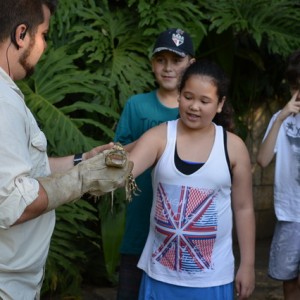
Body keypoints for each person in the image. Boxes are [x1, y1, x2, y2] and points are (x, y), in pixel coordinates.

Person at [0, 1, 132, 299]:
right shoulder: (3, 102)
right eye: (44, 34)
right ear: (21, 34)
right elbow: (13, 201)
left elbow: (24, 171)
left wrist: (82, 160)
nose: (44, 45)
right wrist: (83, 179)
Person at [128, 60, 255, 300]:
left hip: (213, 279)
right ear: (178, 96)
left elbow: (244, 208)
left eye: (205, 101)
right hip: (160, 276)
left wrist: (247, 265)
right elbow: (125, 172)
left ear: (220, 104)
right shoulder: (159, 137)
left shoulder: (234, 147)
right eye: (188, 97)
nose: (194, 106)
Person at [114, 28, 195, 299]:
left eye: (177, 60)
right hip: (139, 225)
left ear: (191, 64)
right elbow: (116, 156)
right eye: (161, 60)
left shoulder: (198, 112)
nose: (168, 67)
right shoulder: (137, 106)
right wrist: (152, 141)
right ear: (152, 63)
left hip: (181, 232)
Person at [257, 49, 300, 300]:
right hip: (289, 213)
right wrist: (282, 117)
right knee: (289, 281)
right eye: (296, 85)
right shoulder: (281, 119)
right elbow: (262, 160)